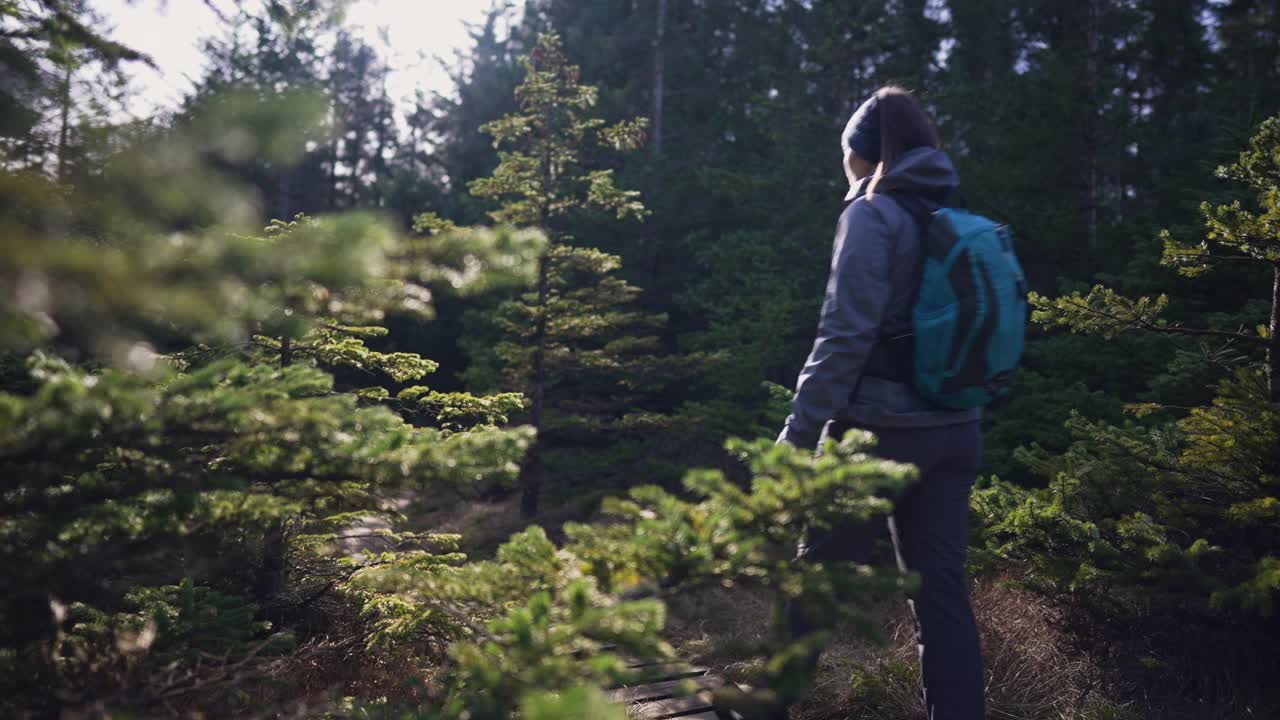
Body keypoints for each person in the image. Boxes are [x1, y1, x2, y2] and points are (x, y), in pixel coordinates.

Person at [776, 86, 986, 720]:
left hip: (877, 432)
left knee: (815, 584)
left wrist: (797, 437)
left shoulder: (872, 215)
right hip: (957, 432)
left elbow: (843, 337)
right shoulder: (954, 219)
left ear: (862, 154)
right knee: (942, 598)